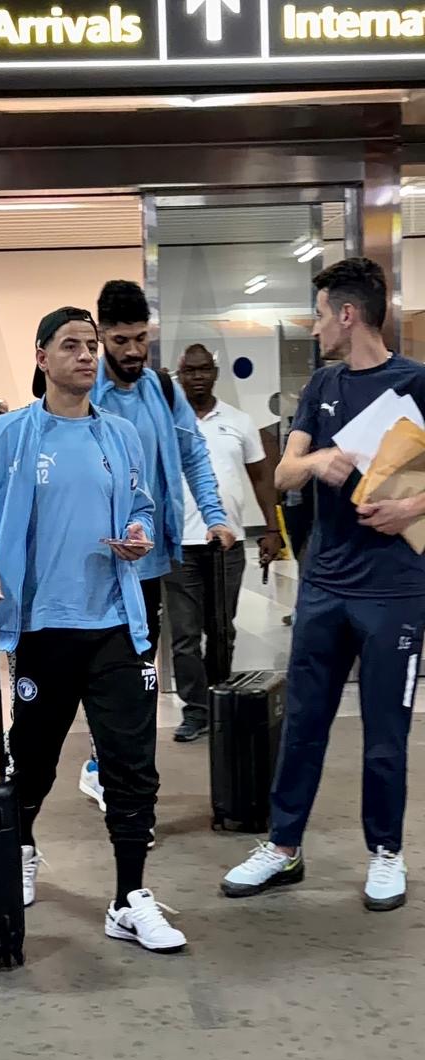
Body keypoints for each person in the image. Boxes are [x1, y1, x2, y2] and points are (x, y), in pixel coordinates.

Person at [0, 305, 186, 952]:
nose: (87, 356)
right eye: (71, 345)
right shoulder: (8, 435)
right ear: (42, 357)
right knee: (31, 760)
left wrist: (138, 532)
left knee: (132, 766)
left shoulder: (120, 434)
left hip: (115, 622)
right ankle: (22, 845)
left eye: (91, 345)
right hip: (42, 628)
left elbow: (141, 505)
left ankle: (129, 897)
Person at [222, 257, 425, 912]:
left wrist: (411, 507)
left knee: (386, 731)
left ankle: (386, 852)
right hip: (326, 584)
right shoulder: (322, 385)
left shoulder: (417, 383)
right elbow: (283, 474)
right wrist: (318, 460)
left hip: (394, 589)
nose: (314, 328)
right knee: (304, 721)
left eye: (318, 315)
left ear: (348, 314)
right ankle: (283, 846)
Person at [80, 281, 233, 805]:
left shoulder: (162, 391)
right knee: (108, 673)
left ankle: (122, 772)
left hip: (148, 562)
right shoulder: (85, 392)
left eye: (141, 339)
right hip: (95, 561)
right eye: (120, 340)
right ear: (102, 336)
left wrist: (214, 516)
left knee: (141, 670)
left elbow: (193, 456)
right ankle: (108, 768)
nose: (133, 351)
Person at [167, 343, 281, 743]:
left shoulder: (239, 421)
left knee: (221, 631)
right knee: (184, 635)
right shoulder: (167, 422)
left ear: (214, 374)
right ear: (180, 375)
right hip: (179, 545)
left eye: (204, 370)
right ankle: (195, 711)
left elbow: (261, 478)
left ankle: (219, 702)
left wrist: (272, 529)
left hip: (226, 545)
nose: (197, 377)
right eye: (190, 371)